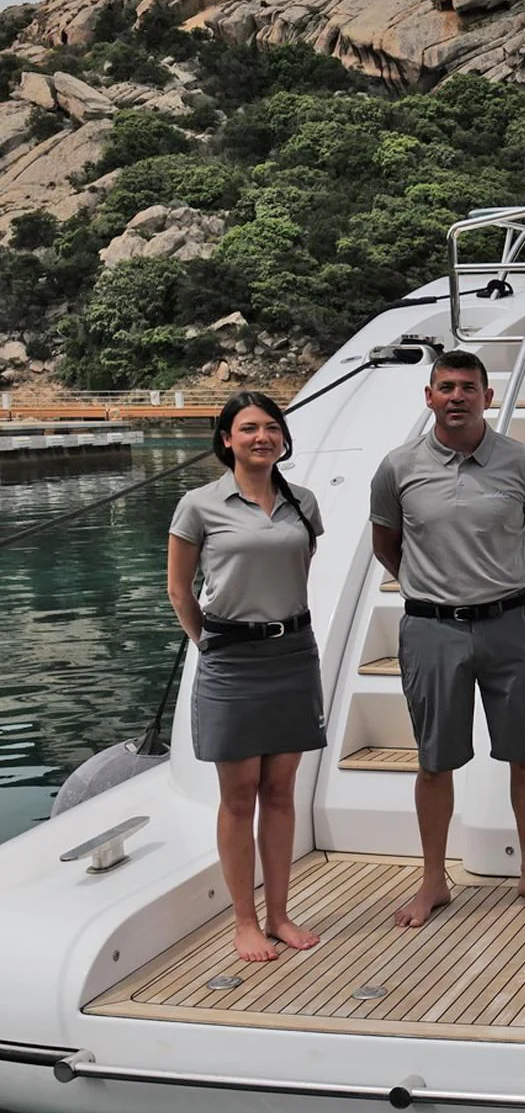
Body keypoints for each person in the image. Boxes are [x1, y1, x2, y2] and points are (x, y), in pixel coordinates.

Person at [370, 351, 525, 927]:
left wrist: (500, 584)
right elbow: (387, 545)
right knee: (435, 763)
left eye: (469, 388)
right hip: (431, 631)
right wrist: (433, 590)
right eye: (446, 387)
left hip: (509, 626)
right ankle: (434, 880)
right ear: (428, 397)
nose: (458, 396)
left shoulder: (522, 463)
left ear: (488, 397)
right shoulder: (397, 467)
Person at [167, 393, 327, 962]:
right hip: (231, 661)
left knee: (281, 792)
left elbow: (295, 571)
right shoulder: (199, 505)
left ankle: (280, 913)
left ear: (282, 437)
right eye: (249, 428)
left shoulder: (303, 503)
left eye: (271, 427)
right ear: (227, 439)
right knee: (238, 796)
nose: (263, 436)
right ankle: (244, 921)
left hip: (292, 656)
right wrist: (207, 643)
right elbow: (179, 591)